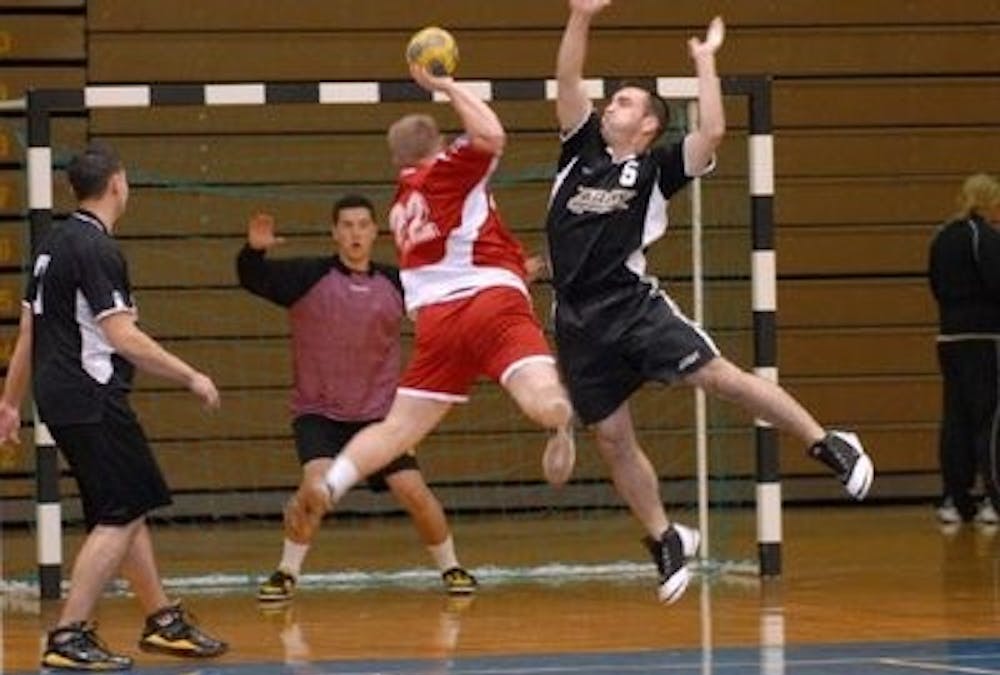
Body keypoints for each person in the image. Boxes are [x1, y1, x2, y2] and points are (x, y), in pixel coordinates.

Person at [547, 1, 875, 604]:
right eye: (611, 99)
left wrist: (704, 63)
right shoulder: (580, 152)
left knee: (720, 379)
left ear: (648, 125)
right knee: (612, 439)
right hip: (576, 320)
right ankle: (665, 537)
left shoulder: (657, 169)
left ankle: (827, 440)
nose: (610, 105)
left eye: (624, 101)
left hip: (631, 306)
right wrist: (580, 16)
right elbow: (568, 78)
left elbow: (714, 132)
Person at [286, 62, 577, 540]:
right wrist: (446, 85)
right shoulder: (447, 170)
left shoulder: (402, 205)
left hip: (438, 324)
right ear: (437, 147)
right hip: (491, 303)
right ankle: (559, 421)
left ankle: (331, 484)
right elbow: (491, 135)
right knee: (540, 392)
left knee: (399, 429)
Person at [0, 142, 227, 670]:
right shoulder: (97, 250)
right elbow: (122, 336)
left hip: (59, 396)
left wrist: (10, 404)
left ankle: (163, 619)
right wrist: (190, 375)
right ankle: (68, 633)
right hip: (92, 394)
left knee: (126, 503)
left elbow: (29, 332)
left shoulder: (51, 244)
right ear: (119, 183)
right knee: (121, 510)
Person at [236, 195, 478, 600]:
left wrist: (507, 278)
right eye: (346, 226)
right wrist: (254, 252)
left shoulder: (397, 283)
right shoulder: (306, 277)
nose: (354, 233)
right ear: (335, 233)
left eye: (362, 225)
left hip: (380, 419)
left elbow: (450, 296)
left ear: (374, 232)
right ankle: (286, 572)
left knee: (414, 492)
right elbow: (252, 278)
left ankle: (451, 567)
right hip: (320, 414)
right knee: (317, 489)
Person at [928, 173, 1000, 528]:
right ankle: (993, 500)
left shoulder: (942, 236)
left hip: (948, 338)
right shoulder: (983, 236)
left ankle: (954, 501)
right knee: (991, 419)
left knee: (956, 418)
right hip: (985, 339)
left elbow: (935, 285)